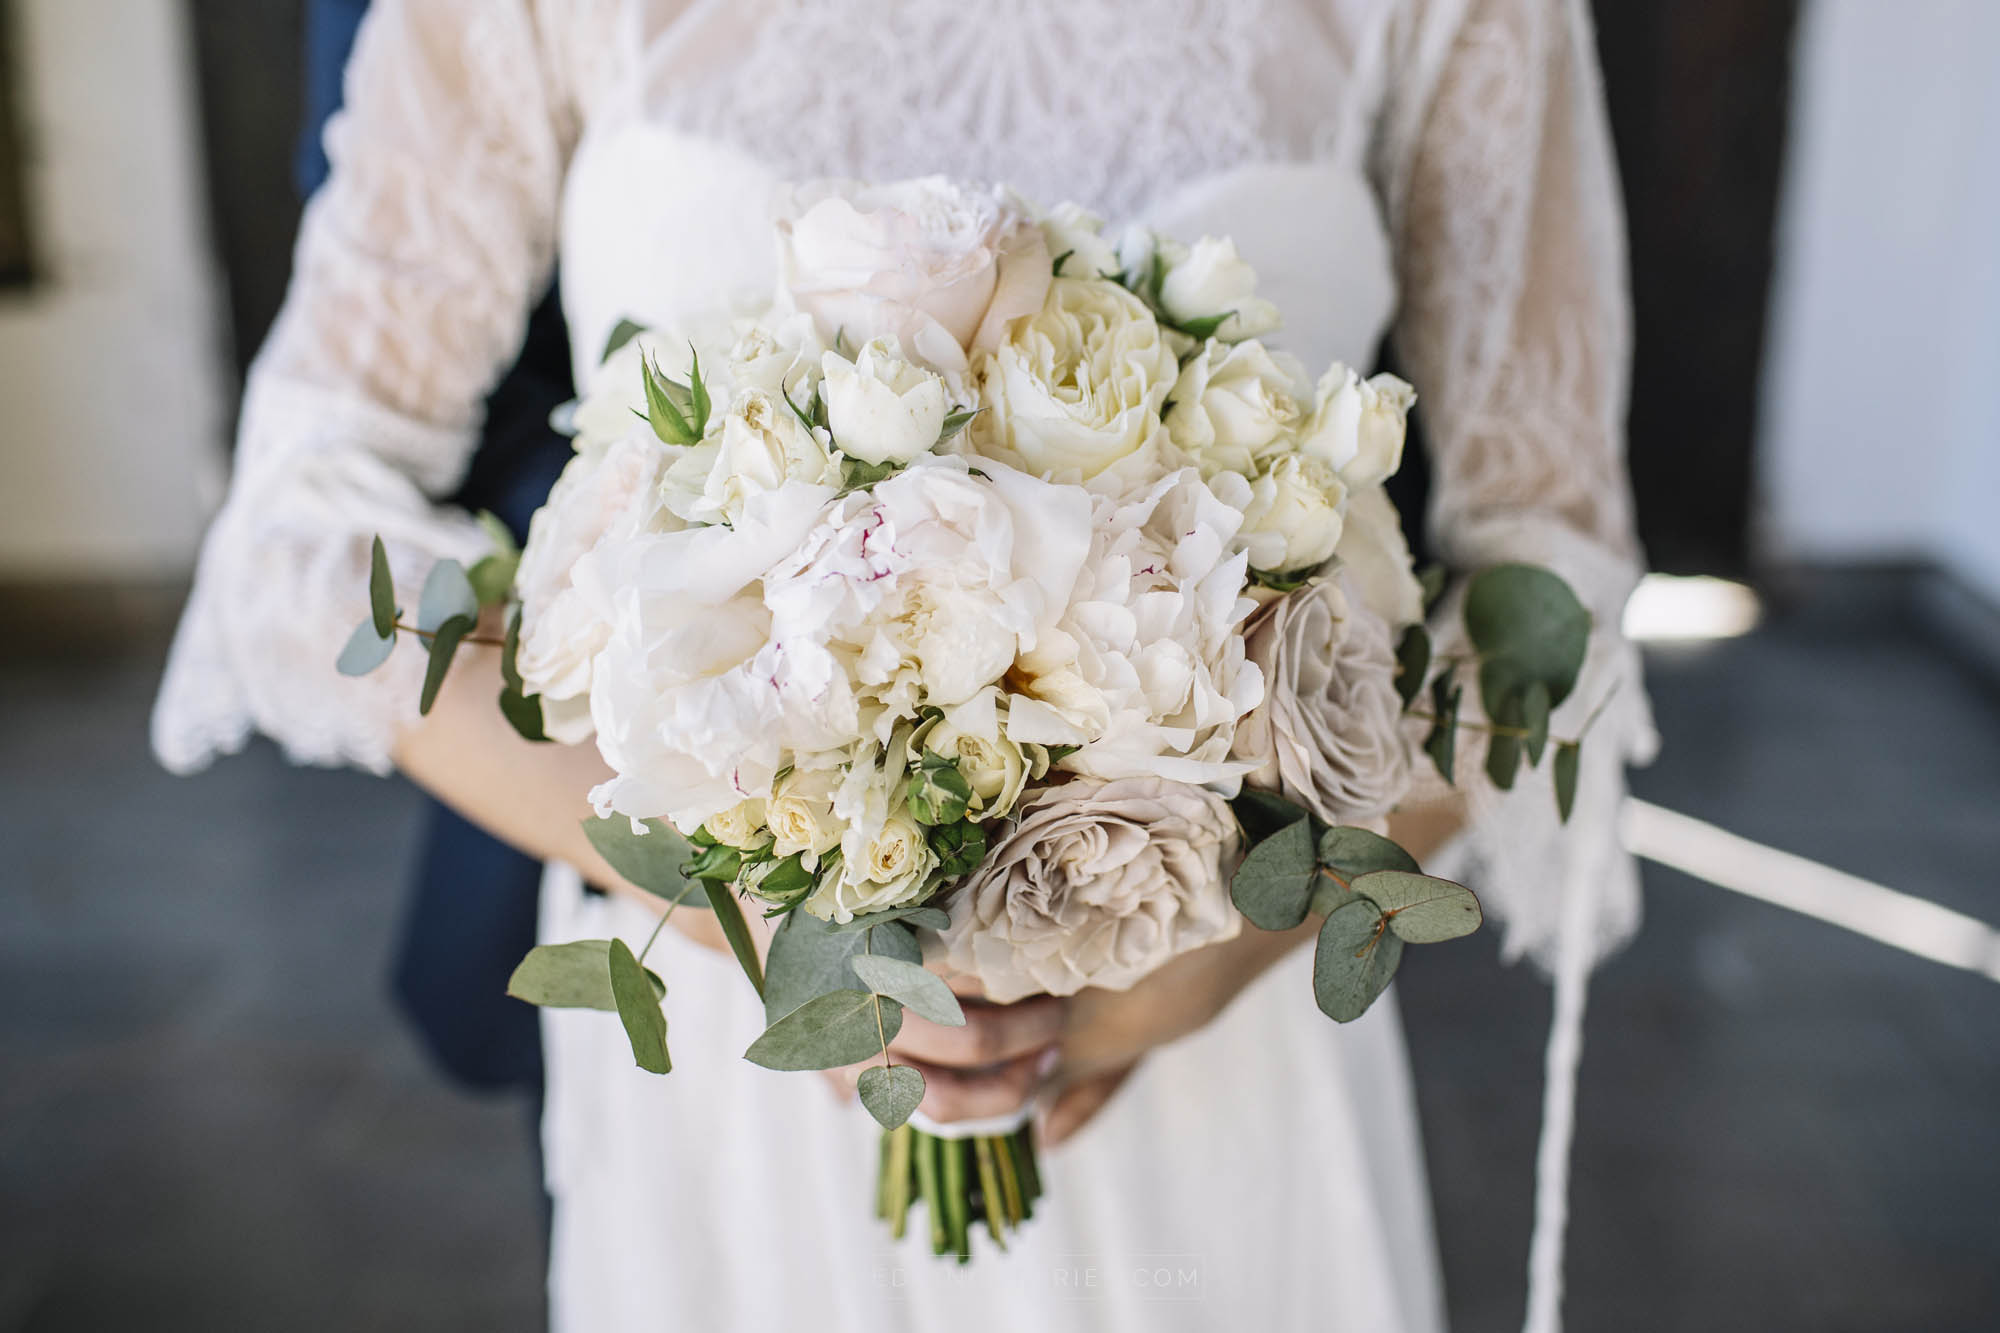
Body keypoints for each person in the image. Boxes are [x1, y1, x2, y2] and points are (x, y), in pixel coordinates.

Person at [153, 1, 1653, 1328]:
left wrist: (1213, 954)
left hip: (1213, 1023)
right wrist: (735, 892)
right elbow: (302, 524)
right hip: (733, 1031)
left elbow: (1555, 562)